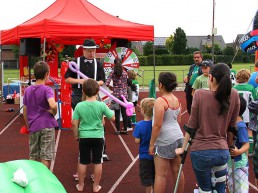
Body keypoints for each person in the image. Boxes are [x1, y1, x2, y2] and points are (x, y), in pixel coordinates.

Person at [176, 63, 240, 193]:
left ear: (210, 78)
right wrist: (230, 146)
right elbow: (232, 127)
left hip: (200, 151)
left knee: (205, 189)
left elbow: (192, 125)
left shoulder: (199, 94)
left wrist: (183, 148)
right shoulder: (234, 94)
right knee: (220, 188)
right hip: (222, 152)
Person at [65, 39, 110, 161]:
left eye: (94, 51)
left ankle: (102, 150)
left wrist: (94, 83)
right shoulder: (75, 62)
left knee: (101, 121)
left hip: (94, 94)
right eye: (89, 51)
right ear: (83, 50)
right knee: (80, 123)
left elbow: (103, 81)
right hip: (79, 95)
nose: (92, 53)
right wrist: (80, 81)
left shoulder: (98, 64)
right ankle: (83, 150)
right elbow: (67, 79)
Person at [71, 78, 115, 192]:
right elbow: (113, 118)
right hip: (98, 137)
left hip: (84, 137)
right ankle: (96, 186)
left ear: (84, 92)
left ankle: (80, 185)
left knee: (82, 161)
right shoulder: (101, 105)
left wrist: (76, 136)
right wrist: (106, 111)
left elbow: (74, 123)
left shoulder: (79, 106)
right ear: (97, 92)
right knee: (97, 161)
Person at [149, 72, 185, 193]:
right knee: (177, 171)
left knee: (160, 175)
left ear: (160, 85)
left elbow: (157, 125)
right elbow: (178, 120)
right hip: (179, 137)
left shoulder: (160, 100)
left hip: (164, 140)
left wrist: (151, 143)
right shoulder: (177, 100)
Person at [23, 61, 58, 169]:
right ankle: (44, 181)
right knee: (45, 156)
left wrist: (28, 125)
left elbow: (25, 110)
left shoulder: (28, 90)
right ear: (46, 74)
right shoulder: (47, 89)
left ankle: (32, 178)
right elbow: (53, 104)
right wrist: (54, 112)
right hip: (47, 125)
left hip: (34, 125)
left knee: (33, 155)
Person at [227, 94, 250, 193]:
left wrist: (238, 151)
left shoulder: (240, 126)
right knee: (232, 187)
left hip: (239, 163)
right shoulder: (229, 123)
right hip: (230, 162)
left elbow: (247, 144)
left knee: (240, 189)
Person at [133, 98, 155, 193]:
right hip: (156, 154)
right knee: (156, 175)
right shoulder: (156, 124)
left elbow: (137, 141)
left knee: (147, 178)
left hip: (144, 155)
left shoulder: (139, 125)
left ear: (143, 110)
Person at [233, 69, 257, 156]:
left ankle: (236, 146)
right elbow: (254, 101)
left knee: (236, 130)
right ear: (247, 78)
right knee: (249, 131)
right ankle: (249, 151)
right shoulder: (250, 88)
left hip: (236, 114)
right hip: (248, 113)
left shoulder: (234, 88)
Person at [106, 57, 129, 135]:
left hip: (116, 95)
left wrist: (111, 87)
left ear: (114, 64)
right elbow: (127, 83)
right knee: (124, 112)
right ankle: (125, 129)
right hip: (124, 95)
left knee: (117, 112)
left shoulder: (112, 72)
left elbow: (107, 83)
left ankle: (118, 130)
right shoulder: (125, 72)